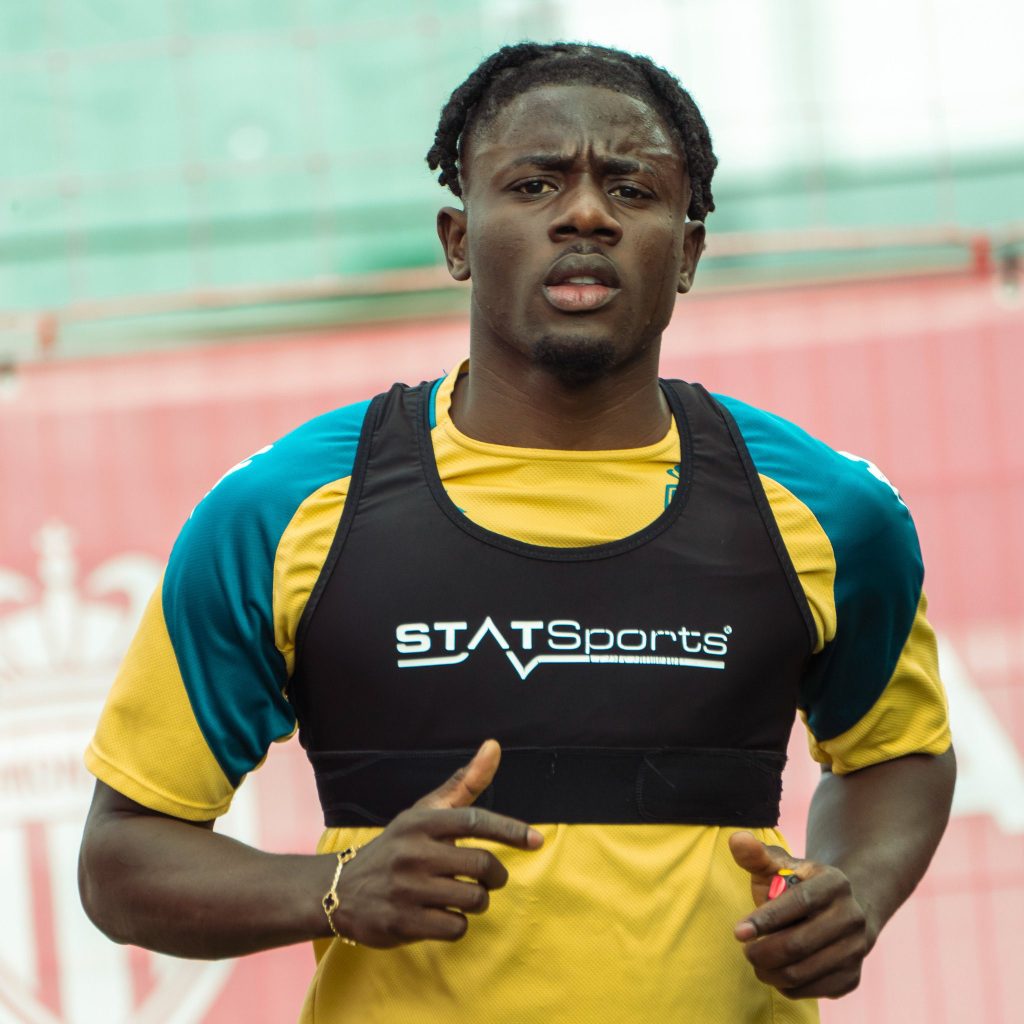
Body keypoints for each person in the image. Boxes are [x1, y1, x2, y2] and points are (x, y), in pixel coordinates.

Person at [79, 42, 955, 1024]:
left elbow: (898, 755)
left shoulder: (830, 512)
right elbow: (121, 859)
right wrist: (334, 890)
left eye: (631, 189)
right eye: (535, 184)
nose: (585, 215)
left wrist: (852, 890)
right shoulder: (282, 511)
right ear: (457, 239)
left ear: (688, 253)